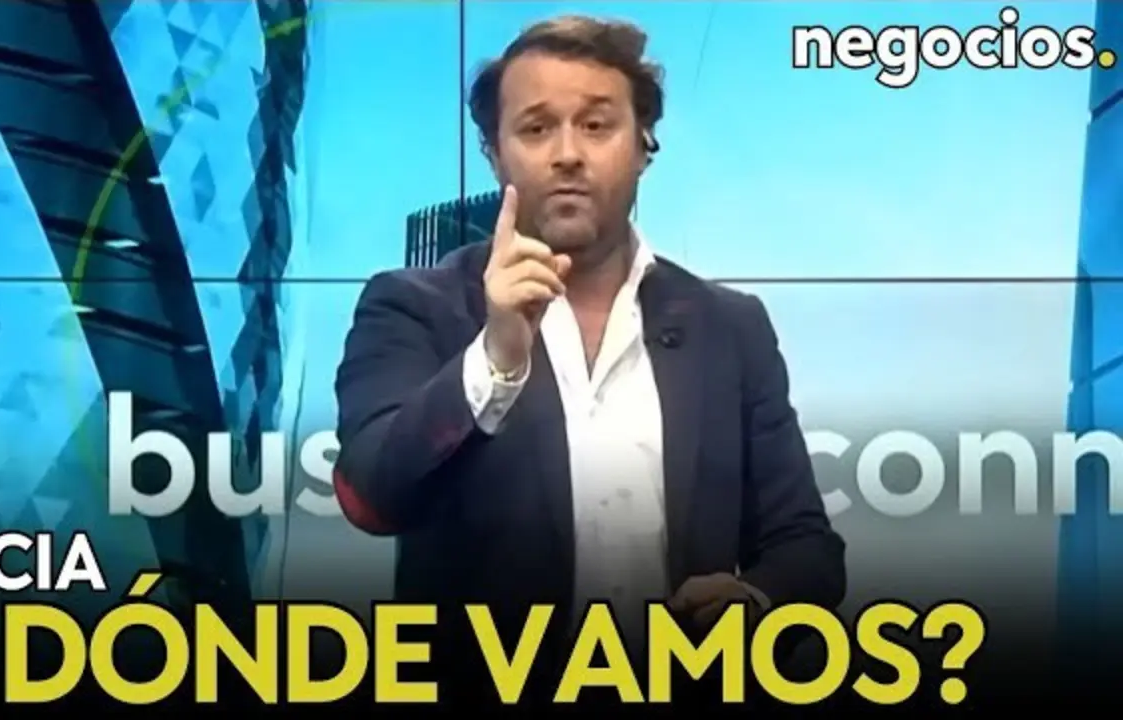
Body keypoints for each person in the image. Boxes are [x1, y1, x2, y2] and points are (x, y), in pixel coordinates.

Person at [333, 14, 845, 703]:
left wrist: (754, 600)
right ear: (494, 154)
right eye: (536, 128)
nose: (568, 154)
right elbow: (373, 496)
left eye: (597, 125)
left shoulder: (731, 328)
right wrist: (495, 356)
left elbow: (806, 549)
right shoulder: (414, 306)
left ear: (643, 146)